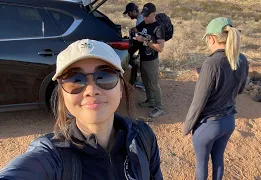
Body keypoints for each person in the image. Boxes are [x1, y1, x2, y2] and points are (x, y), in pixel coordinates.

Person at [0, 39, 163, 180]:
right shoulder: (52, 155)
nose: (91, 90)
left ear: (121, 88)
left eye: (104, 76)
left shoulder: (143, 137)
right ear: (62, 95)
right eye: (74, 80)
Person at [183, 17, 249, 180]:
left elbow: (198, 102)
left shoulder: (211, 63)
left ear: (211, 38)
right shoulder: (242, 59)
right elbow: (239, 89)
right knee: (218, 159)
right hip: (228, 122)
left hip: (209, 125)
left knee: (202, 163)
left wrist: (187, 127)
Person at [133, 3, 165, 118]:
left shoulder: (158, 28)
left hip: (152, 60)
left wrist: (145, 41)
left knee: (154, 84)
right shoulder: (144, 24)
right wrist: (135, 34)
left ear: (154, 14)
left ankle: (159, 107)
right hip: (143, 58)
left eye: (147, 16)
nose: (145, 18)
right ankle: (150, 101)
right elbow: (136, 29)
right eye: (144, 15)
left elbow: (160, 48)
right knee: (146, 81)